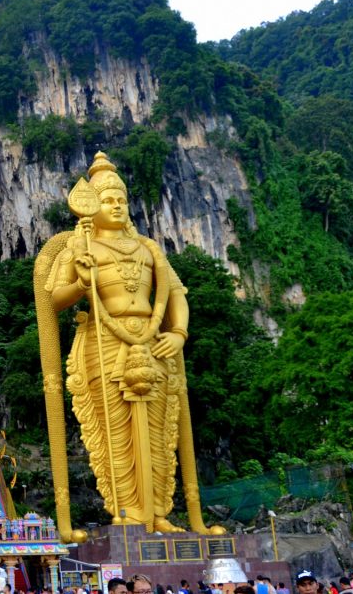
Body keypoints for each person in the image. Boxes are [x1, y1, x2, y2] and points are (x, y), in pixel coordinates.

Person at [37, 151, 219, 536]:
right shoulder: (79, 248)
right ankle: (127, 511)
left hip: (154, 343)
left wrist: (178, 333)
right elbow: (52, 298)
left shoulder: (149, 248)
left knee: (158, 430)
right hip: (103, 342)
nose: (117, 206)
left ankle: (158, 513)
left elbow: (176, 295)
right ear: (91, 207)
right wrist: (82, 282)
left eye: (121, 200)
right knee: (113, 430)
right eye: (108, 200)